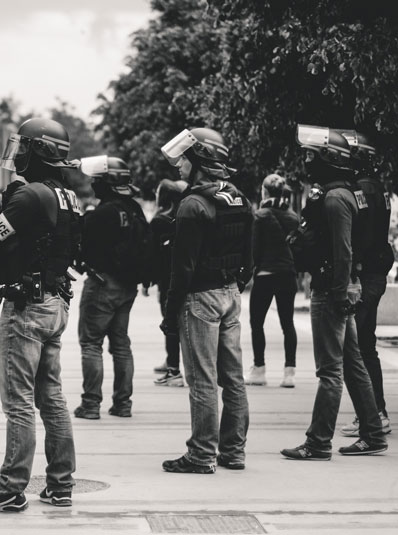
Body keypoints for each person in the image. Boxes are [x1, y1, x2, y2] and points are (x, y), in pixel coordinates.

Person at [0, 118, 81, 512]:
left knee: (18, 402)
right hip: (55, 302)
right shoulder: (67, 196)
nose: (17, 155)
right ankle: (61, 484)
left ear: (38, 152)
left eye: (24, 148)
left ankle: (10, 487)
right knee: (51, 398)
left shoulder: (30, 195)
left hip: (27, 308)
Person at [281, 125, 387, 460]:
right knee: (353, 365)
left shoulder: (334, 198)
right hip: (339, 287)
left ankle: (318, 442)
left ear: (328, 158)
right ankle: (373, 433)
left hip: (331, 291)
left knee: (329, 371)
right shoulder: (345, 192)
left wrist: (340, 293)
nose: (306, 161)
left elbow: (344, 251)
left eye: (311, 155)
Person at [159, 127, 253, 473]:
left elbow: (181, 268)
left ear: (199, 161)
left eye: (184, 159)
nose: (178, 165)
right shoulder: (239, 198)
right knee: (233, 378)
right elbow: (250, 257)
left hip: (200, 298)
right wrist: (233, 285)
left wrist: (170, 313)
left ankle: (201, 455)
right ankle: (234, 451)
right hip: (230, 294)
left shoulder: (192, 204)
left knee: (202, 379)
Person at [72, 156, 149, 419]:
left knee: (91, 344)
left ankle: (90, 405)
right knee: (121, 345)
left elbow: (83, 245)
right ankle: (123, 404)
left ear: (107, 183)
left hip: (102, 285)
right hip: (128, 287)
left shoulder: (103, 213)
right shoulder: (135, 209)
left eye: (97, 180)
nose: (93, 184)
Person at [334, 130, 394, 438]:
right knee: (366, 346)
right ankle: (377, 412)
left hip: (365, 274)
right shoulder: (378, 187)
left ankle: (370, 415)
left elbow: (361, 236)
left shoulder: (361, 190)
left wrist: (352, 272)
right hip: (375, 273)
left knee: (355, 349)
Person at [245, 174, 300, 388]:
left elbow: (255, 249)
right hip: (287, 274)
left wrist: (254, 267)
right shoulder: (293, 217)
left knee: (257, 323)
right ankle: (289, 373)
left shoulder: (260, 215)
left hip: (265, 275)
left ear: (265, 192)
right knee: (288, 324)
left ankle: (259, 370)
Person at [151, 178, 188, 386]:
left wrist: (148, 281)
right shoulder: (185, 218)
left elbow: (153, 255)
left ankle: (174, 369)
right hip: (186, 277)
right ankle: (172, 362)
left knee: (170, 323)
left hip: (167, 281)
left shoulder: (159, 221)